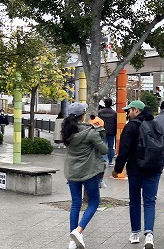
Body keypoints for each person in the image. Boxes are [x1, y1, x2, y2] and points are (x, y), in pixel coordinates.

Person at [112, 100, 162, 249]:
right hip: (154, 168)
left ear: (136, 110)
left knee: (134, 200)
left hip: (135, 169)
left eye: (129, 110)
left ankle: (135, 233)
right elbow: (163, 145)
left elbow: (124, 151)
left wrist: (117, 170)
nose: (128, 113)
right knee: (149, 201)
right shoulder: (155, 124)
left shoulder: (131, 127)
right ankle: (149, 235)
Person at [62, 102, 108, 249]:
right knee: (94, 202)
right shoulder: (90, 132)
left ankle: (72, 241)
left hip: (71, 172)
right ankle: (78, 230)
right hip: (89, 172)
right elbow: (104, 150)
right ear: (83, 115)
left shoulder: (67, 132)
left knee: (75, 203)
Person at [88, 114, 107, 189]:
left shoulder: (90, 122)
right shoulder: (100, 121)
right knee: (102, 164)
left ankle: (100, 180)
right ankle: (100, 180)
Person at [98, 98, 117, 166]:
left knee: (103, 145)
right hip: (112, 132)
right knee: (111, 147)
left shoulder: (100, 113)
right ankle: (111, 161)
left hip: (102, 131)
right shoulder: (114, 113)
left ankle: (104, 159)